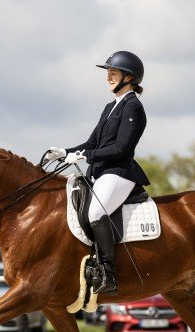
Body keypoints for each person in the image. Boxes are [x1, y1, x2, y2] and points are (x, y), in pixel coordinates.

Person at [44, 51, 150, 294]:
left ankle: (108, 272)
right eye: (108, 72)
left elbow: (121, 148)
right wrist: (64, 152)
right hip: (100, 172)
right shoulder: (110, 106)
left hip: (119, 173)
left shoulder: (133, 107)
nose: (108, 76)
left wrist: (87, 157)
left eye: (113, 72)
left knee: (94, 212)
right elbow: (92, 143)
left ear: (129, 77)